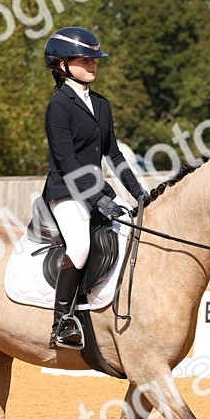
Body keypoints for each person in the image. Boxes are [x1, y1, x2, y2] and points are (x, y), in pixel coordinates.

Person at [41, 27, 148, 349]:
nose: (93, 64)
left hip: (96, 191)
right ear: (61, 64)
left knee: (132, 232)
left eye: (95, 60)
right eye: (85, 59)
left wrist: (140, 193)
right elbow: (67, 160)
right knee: (80, 246)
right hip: (66, 192)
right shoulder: (58, 106)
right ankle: (62, 322)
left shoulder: (101, 103)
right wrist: (99, 199)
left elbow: (113, 154)